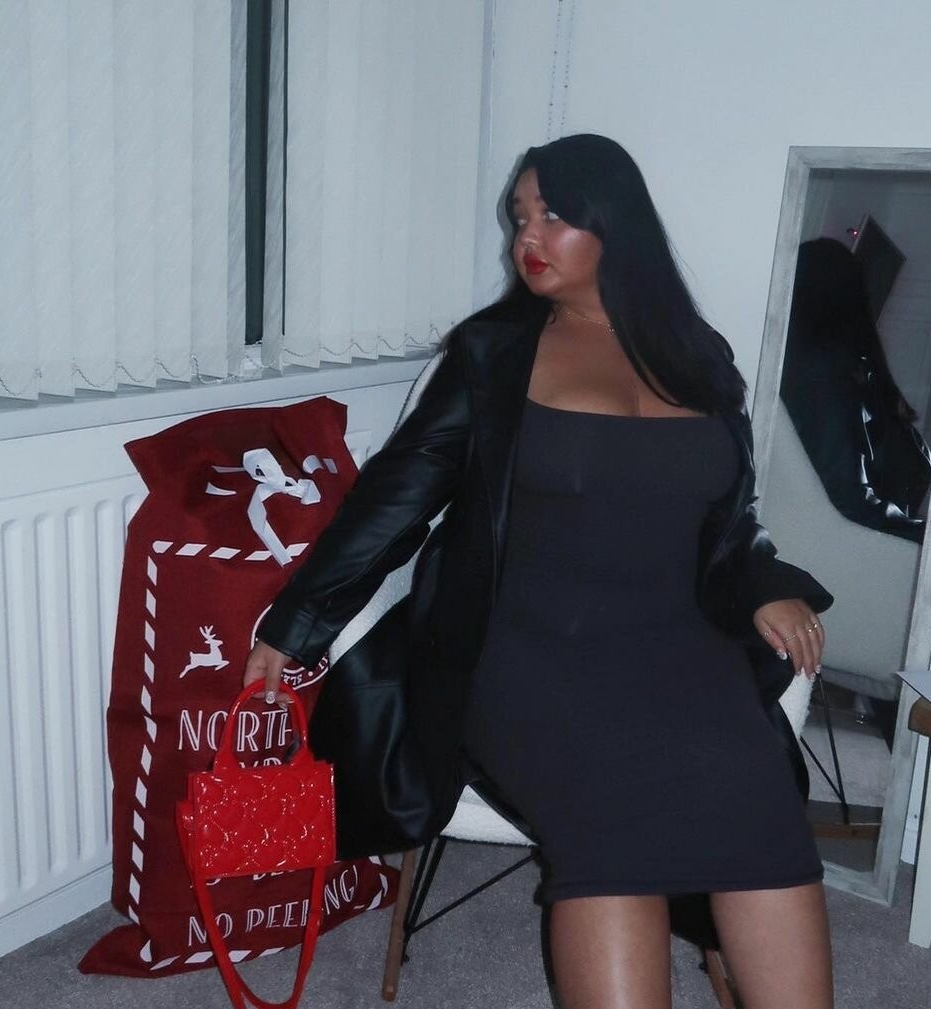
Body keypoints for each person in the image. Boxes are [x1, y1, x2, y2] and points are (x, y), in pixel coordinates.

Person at [244, 134, 835, 1009]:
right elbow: (395, 501)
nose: (527, 235)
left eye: (552, 214)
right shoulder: (494, 352)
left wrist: (763, 583)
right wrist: (293, 626)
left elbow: (725, 519)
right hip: (528, 652)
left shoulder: (698, 355)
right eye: (519, 216)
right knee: (610, 816)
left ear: (614, 223)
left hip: (677, 646)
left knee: (760, 801)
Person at [781, 237, 931, 543]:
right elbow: (851, 501)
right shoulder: (825, 381)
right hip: (859, 549)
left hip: (870, 546)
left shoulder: (852, 374)